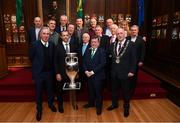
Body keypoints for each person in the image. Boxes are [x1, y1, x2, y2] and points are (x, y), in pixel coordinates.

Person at [107, 28, 137, 117]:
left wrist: (132, 71)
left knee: (126, 91)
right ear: (116, 35)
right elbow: (110, 57)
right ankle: (114, 104)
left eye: (121, 33)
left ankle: (126, 107)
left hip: (126, 73)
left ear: (125, 34)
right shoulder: (112, 44)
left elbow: (134, 59)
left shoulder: (131, 44)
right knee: (114, 90)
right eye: (118, 33)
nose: (119, 35)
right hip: (114, 72)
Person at [29, 27, 57, 121]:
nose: (46, 35)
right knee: (39, 92)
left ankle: (50, 104)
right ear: (40, 35)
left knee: (50, 90)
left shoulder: (52, 45)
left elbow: (53, 59)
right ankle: (39, 110)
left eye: (47, 34)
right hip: (39, 73)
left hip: (49, 73)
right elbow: (31, 58)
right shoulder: (34, 44)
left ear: (50, 35)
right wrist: (36, 69)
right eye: (44, 33)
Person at [54, 31, 77, 113]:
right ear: (61, 37)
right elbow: (55, 61)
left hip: (72, 72)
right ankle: (60, 105)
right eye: (63, 35)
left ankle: (74, 103)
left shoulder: (73, 46)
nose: (65, 37)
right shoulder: (57, 47)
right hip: (61, 73)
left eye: (67, 35)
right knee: (59, 90)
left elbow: (76, 59)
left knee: (73, 88)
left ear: (69, 36)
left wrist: (76, 71)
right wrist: (57, 73)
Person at [83, 36, 106, 115]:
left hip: (98, 76)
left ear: (98, 43)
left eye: (95, 42)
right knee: (91, 91)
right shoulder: (88, 50)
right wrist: (85, 70)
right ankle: (91, 103)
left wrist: (92, 72)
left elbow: (102, 63)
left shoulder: (102, 51)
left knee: (98, 93)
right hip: (89, 75)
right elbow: (84, 61)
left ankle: (99, 108)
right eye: (92, 42)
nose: (93, 43)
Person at [127, 25, 146, 97]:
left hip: (136, 61)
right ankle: (126, 89)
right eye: (132, 30)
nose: (133, 31)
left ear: (137, 31)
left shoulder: (141, 40)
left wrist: (141, 61)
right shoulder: (127, 38)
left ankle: (131, 91)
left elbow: (143, 51)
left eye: (135, 30)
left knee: (133, 77)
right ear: (130, 31)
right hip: (127, 61)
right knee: (127, 75)